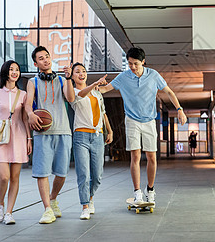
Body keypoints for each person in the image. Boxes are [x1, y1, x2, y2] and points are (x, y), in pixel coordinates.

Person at [99, 47, 187, 207]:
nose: (132, 67)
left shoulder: (153, 75)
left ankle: (150, 190)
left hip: (149, 121)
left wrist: (179, 110)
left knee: (152, 157)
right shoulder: (123, 77)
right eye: (130, 64)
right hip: (131, 121)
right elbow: (105, 89)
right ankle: (137, 192)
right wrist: (98, 86)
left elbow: (169, 92)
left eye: (136, 64)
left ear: (143, 62)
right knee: (135, 157)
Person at [24, 46, 75, 224]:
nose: (45, 60)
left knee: (61, 173)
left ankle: (53, 199)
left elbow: (70, 98)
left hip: (63, 131)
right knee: (42, 173)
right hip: (42, 132)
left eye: (47, 57)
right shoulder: (33, 82)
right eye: (41, 58)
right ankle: (47, 209)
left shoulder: (62, 80)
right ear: (35, 63)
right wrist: (30, 114)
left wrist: (69, 79)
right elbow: (28, 104)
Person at [0, 60, 32, 225]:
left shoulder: (23, 94)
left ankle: (9, 212)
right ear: (5, 72)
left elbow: (24, 118)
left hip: (18, 136)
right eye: (11, 69)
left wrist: (29, 139)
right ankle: (0, 204)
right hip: (1, 136)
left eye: (17, 70)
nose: (15, 72)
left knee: (15, 177)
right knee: (4, 176)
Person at [69, 62, 113, 220]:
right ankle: (85, 206)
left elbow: (103, 113)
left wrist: (110, 130)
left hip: (98, 136)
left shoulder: (97, 93)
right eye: (77, 72)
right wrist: (94, 84)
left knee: (98, 175)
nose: (81, 74)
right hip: (81, 136)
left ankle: (91, 197)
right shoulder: (73, 91)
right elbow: (80, 96)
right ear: (72, 76)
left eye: (83, 71)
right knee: (83, 174)